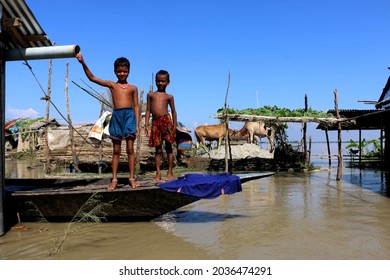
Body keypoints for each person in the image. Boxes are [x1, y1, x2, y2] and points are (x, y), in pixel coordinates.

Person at [76, 53, 140, 190]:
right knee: (116, 151)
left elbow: (136, 106)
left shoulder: (133, 88)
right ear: (115, 72)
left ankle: (132, 178)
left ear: (129, 71)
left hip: (129, 116)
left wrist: (137, 124)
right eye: (119, 71)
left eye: (125, 71)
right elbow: (92, 78)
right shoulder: (112, 85)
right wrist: (83, 62)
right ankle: (115, 179)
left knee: (130, 149)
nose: (122, 73)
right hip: (117, 116)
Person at [145, 70, 177, 181]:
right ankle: (158, 173)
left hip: (166, 121)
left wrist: (174, 126)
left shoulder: (169, 97)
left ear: (168, 82)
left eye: (163, 81)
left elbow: (173, 111)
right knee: (157, 149)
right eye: (158, 81)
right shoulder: (150, 95)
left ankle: (170, 172)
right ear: (155, 82)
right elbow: (148, 110)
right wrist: (146, 125)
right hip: (155, 122)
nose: (160, 83)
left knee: (169, 148)